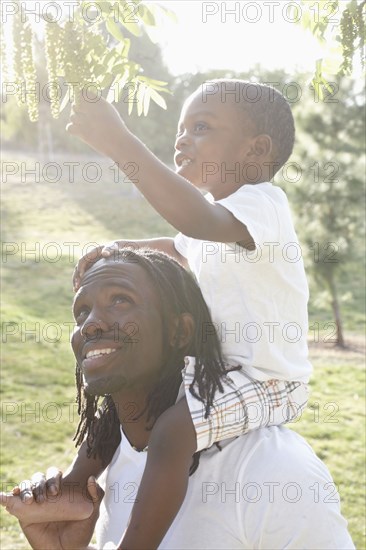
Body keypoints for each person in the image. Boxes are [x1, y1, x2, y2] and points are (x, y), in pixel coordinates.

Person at [64, 79, 311, 547]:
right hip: (218, 370)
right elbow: (178, 246)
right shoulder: (218, 220)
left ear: (257, 150)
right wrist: (119, 247)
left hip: (269, 380)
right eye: (181, 128)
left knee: (175, 430)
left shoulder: (261, 205)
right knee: (133, 394)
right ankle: (76, 481)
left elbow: (190, 220)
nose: (182, 138)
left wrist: (120, 143)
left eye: (201, 127)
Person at [0, 251, 355, 549]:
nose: (90, 324)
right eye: (81, 312)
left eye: (120, 300)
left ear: (180, 331)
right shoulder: (110, 466)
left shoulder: (271, 468)